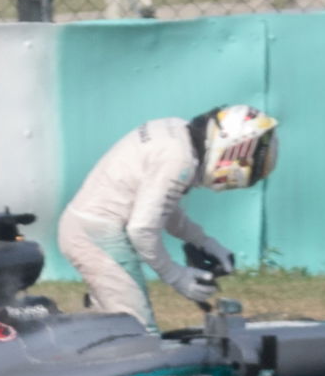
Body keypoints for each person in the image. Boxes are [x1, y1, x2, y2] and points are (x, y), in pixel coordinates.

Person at [55, 104, 279, 330]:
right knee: (138, 334)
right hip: (95, 235)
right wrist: (177, 277)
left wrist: (204, 242)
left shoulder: (177, 132)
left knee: (110, 330)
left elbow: (162, 210)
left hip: (88, 228)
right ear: (232, 147)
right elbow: (141, 229)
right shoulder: (179, 160)